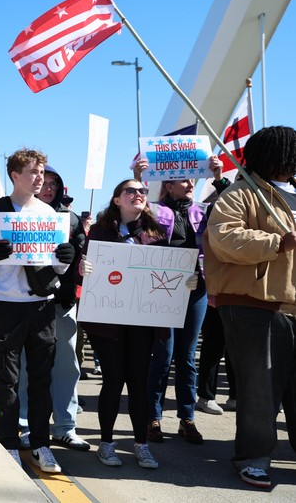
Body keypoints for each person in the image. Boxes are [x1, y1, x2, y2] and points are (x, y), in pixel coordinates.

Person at [0, 148, 74, 474]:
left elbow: (56, 269)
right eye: (33, 172)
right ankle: (9, 444)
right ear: (15, 175)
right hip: (7, 306)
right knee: (8, 381)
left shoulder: (50, 215)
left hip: (41, 306)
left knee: (41, 379)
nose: (39, 178)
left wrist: (65, 258)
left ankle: (41, 444)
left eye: (42, 172)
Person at [79, 179, 196, 470]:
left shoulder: (156, 233)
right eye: (130, 191)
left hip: (142, 322)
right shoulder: (100, 232)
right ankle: (106, 443)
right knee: (113, 380)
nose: (138, 195)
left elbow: (171, 272)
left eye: (142, 191)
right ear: (117, 199)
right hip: (108, 322)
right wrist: (82, 269)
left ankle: (141, 445)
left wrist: (190, 281)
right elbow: (81, 274)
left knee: (139, 384)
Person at [203, 126, 296, 489]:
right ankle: (254, 458)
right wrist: (279, 242)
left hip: (290, 304)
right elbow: (224, 237)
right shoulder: (241, 193)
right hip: (253, 304)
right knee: (261, 387)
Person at [133, 156, 228, 445]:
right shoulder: (157, 210)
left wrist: (219, 175)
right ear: (169, 186)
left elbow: (230, 204)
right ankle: (153, 417)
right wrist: (139, 176)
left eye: (192, 180)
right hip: (165, 290)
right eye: (183, 180)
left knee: (187, 357)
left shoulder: (204, 210)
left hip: (195, 289)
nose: (190, 184)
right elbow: (138, 206)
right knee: (163, 354)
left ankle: (187, 418)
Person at [17, 165, 90, 452]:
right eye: (43, 182)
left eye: (53, 183)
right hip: (26, 303)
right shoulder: (17, 215)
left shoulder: (70, 220)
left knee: (65, 366)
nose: (47, 188)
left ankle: (65, 427)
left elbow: (82, 261)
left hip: (61, 303)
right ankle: (24, 423)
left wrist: (78, 264)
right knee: (26, 366)